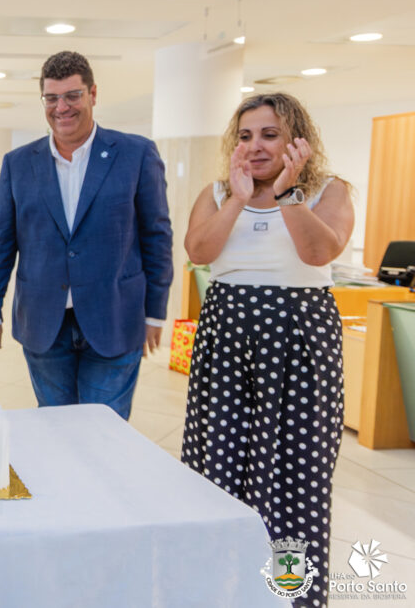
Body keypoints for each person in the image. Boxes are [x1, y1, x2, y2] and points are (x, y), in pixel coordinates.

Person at [180, 92, 353, 607]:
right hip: (226, 339)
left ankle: (288, 593)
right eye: (246, 136)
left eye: (270, 135)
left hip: (299, 341)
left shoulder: (328, 190)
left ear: (297, 141)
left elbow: (319, 251)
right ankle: (219, 588)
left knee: (294, 477)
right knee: (217, 466)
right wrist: (236, 197)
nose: (255, 147)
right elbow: (199, 252)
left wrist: (288, 193)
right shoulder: (215, 192)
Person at [0, 50, 173, 419]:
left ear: (93, 94)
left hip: (115, 316)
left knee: (104, 428)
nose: (61, 107)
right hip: (43, 323)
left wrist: (155, 313)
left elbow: (156, 235)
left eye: (72, 96)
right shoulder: (18, 163)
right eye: (52, 98)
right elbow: (1, 241)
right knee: (54, 426)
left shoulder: (135, 154)